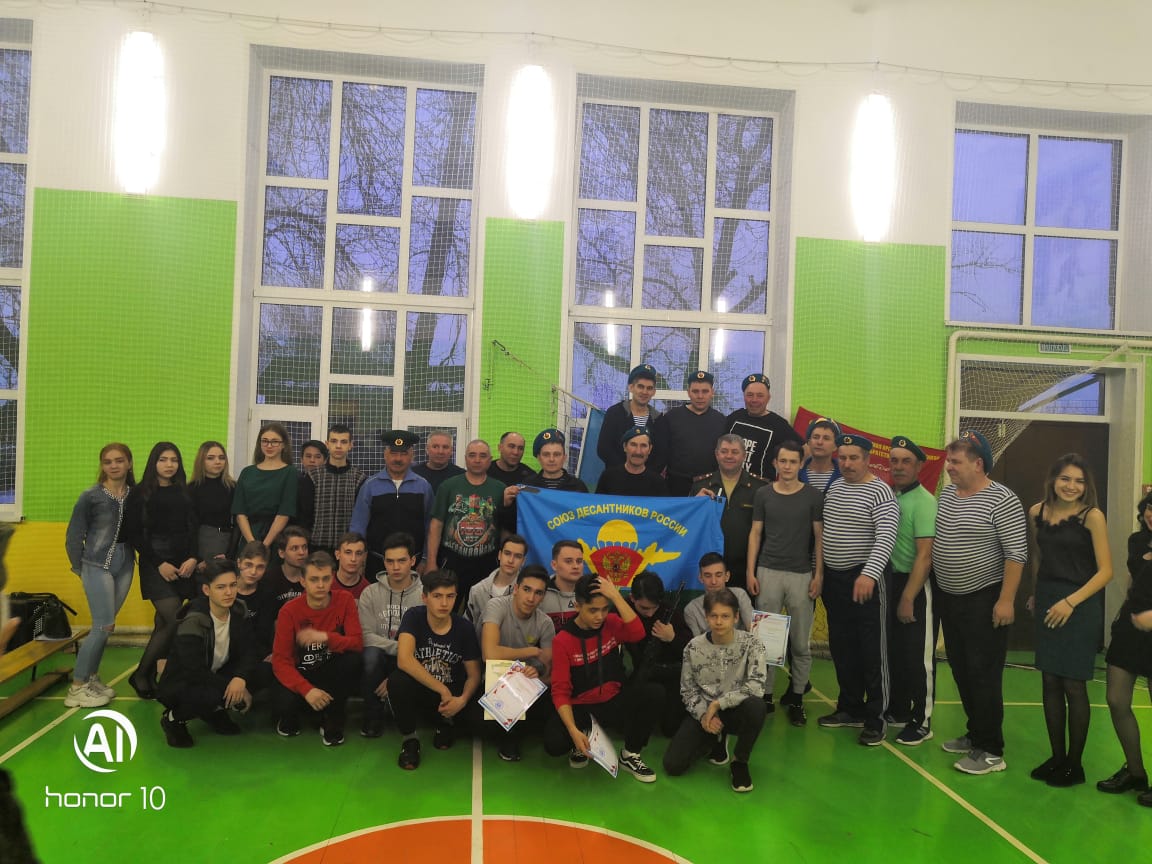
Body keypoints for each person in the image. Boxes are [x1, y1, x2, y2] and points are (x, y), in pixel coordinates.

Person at [932, 430, 1027, 775]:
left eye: (955, 462)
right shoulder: (948, 495)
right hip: (949, 598)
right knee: (961, 669)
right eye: (949, 461)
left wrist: (1006, 600)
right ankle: (975, 734)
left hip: (985, 599)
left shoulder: (1003, 500)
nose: (949, 467)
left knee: (983, 673)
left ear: (978, 464)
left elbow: (1016, 554)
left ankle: (991, 751)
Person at [1025, 454, 1112, 787]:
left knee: (1073, 684)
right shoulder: (1037, 512)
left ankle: (1075, 765)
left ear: (1086, 486)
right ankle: (1057, 757)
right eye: (1065, 478)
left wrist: (1071, 602)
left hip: (1080, 604)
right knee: (1050, 680)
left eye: (1079, 481)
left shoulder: (1092, 517)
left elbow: (1106, 571)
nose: (1071, 486)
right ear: (1053, 479)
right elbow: (1038, 557)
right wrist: (1036, 593)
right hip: (1049, 599)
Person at [817, 433, 899, 746]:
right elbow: (825, 534)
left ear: (867, 460)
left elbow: (886, 537)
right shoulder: (835, 488)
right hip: (835, 582)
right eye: (843, 457)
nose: (847, 463)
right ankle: (850, 708)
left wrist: (869, 574)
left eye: (854, 458)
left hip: (867, 580)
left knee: (872, 651)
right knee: (842, 647)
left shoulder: (881, 492)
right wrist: (820, 572)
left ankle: (877, 718)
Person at [545, 573, 662, 782]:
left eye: (604, 609)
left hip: (613, 701)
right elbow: (560, 691)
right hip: (581, 708)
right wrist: (573, 730)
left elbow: (637, 633)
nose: (600, 616)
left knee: (654, 693)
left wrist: (616, 597)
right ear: (578, 606)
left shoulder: (612, 623)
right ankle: (582, 738)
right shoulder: (562, 640)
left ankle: (630, 755)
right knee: (554, 744)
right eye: (593, 610)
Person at [746, 439, 823, 725]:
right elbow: (755, 533)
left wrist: (818, 575)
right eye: (783, 461)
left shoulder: (813, 496)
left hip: (801, 576)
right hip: (768, 573)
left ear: (801, 464)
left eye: (793, 461)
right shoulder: (763, 494)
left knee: (800, 644)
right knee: (766, 642)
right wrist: (751, 572)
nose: (788, 466)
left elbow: (819, 538)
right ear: (775, 463)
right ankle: (765, 696)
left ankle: (798, 698)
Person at [663, 588, 769, 793]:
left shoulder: (752, 644)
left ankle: (739, 762)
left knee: (757, 707)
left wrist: (719, 704)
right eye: (714, 616)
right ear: (706, 617)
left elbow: (757, 685)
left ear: (736, 617)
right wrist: (704, 715)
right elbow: (688, 690)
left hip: (736, 709)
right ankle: (714, 739)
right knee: (673, 766)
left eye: (725, 616)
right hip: (705, 711)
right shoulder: (693, 647)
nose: (719, 622)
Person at [63, 443, 136, 708]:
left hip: (125, 564)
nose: (114, 466)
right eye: (108, 462)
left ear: (129, 463)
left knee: (107, 627)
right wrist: (79, 568)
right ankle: (77, 687)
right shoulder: (90, 496)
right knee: (102, 626)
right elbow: (74, 536)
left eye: (119, 460)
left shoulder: (135, 494)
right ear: (102, 466)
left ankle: (92, 677)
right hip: (96, 565)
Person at [157, 560, 259, 748]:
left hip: (217, 674)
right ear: (206, 590)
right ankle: (173, 719)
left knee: (263, 673)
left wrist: (241, 679)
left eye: (232, 585)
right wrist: (232, 686)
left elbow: (249, 650)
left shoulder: (239, 609)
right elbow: (193, 671)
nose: (229, 592)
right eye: (221, 587)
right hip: (183, 683)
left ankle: (214, 710)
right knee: (210, 695)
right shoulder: (194, 619)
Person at [126, 442, 199, 701]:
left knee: (163, 623)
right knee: (174, 616)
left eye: (174, 460)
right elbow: (134, 534)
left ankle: (148, 676)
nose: (169, 465)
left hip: (183, 563)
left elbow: (193, 528)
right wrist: (158, 563)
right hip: (155, 563)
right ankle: (140, 674)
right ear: (153, 462)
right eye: (163, 459)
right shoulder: (140, 493)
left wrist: (193, 557)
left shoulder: (184, 492)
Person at [390, 569, 482, 770]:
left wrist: (462, 700)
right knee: (397, 681)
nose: (444, 603)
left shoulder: (464, 627)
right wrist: (441, 688)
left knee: (481, 722)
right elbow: (404, 660)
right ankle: (410, 739)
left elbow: (474, 674)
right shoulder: (413, 617)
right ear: (425, 597)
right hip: (425, 690)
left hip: (452, 694)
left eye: (450, 596)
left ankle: (446, 722)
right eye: (437, 596)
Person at [272, 551, 363, 746]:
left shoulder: (345, 600)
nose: (321, 585)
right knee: (285, 704)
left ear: (333, 578)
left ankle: (333, 718)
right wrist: (307, 690)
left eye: (325, 579)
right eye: (314, 579)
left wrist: (325, 637)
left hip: (330, 670)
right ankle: (298, 714)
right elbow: (280, 661)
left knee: (353, 661)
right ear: (303, 581)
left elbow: (357, 643)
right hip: (301, 672)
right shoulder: (289, 611)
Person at [1097, 491, 1152, 805]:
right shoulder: (1137, 541)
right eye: (1149, 508)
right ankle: (1135, 771)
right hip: (1131, 630)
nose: (1151, 514)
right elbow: (1135, 582)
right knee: (1116, 700)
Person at [887, 436, 939, 746]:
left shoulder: (925, 502)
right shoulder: (890, 496)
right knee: (896, 652)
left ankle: (922, 721)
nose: (899, 466)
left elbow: (925, 555)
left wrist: (908, 597)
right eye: (894, 460)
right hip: (890, 583)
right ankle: (899, 710)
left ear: (919, 466)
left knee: (919, 658)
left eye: (906, 461)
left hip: (916, 587)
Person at [481, 564, 556, 761]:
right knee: (475, 721)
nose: (531, 598)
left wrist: (536, 670)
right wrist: (529, 652)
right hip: (492, 681)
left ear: (543, 597)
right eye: (526, 589)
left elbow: (547, 669)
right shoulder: (496, 606)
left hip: (524, 685)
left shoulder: (545, 623)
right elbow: (489, 654)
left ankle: (511, 733)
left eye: (538, 593)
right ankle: (510, 732)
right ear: (516, 589)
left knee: (550, 711)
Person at [426, 439, 511, 606]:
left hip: (487, 562)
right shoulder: (448, 486)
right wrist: (431, 561)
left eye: (482, 456)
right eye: (472, 455)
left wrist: (505, 563)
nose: (477, 460)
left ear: (490, 459)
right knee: (445, 607)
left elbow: (504, 530)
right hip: (452, 561)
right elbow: (436, 525)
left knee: (484, 610)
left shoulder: (500, 489)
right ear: (465, 458)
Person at [357, 532, 426, 738]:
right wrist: (400, 648)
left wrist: (394, 678)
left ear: (412, 561)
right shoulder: (370, 593)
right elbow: (365, 636)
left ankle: (404, 710)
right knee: (370, 655)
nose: (395, 567)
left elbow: (423, 642)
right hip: (380, 656)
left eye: (402, 561)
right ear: (384, 562)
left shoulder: (424, 595)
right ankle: (373, 715)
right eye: (390, 561)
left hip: (411, 659)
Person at [351, 430, 435, 571]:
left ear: (412, 456)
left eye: (403, 454)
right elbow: (358, 527)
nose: (398, 459)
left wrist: (425, 559)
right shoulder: (370, 486)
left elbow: (430, 527)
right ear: (385, 455)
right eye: (393, 453)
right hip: (376, 562)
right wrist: (359, 561)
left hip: (413, 563)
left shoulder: (423, 486)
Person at [691, 434, 765, 593]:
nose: (729, 456)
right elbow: (688, 526)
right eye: (724, 451)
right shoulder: (700, 486)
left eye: (734, 452)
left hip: (746, 567)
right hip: (710, 570)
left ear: (744, 455)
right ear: (716, 454)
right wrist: (694, 504)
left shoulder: (760, 488)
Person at [625, 570, 692, 736]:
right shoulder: (623, 610)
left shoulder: (669, 611)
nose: (650, 613)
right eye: (644, 608)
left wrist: (672, 638)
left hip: (671, 673)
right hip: (642, 673)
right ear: (632, 598)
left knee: (671, 729)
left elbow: (691, 650)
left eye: (654, 608)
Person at [651, 370, 727, 496]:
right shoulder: (672, 417)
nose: (700, 396)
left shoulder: (721, 421)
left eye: (705, 391)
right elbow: (661, 452)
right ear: (688, 392)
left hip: (709, 485)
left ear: (712, 392)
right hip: (675, 485)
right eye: (695, 391)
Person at [298, 424, 368, 555]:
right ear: (327, 444)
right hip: (316, 547)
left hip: (348, 550)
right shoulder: (313, 476)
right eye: (334, 441)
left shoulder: (359, 478)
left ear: (351, 445)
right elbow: (305, 516)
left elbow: (361, 518)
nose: (338, 446)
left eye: (343, 442)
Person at [724, 373, 802, 481]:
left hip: (762, 488)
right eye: (750, 395)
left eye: (760, 396)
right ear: (744, 396)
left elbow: (804, 450)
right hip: (730, 483)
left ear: (768, 398)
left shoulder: (778, 424)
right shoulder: (735, 417)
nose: (754, 400)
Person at [233, 422, 297, 550]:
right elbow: (240, 512)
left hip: (276, 537)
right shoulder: (247, 472)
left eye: (274, 442)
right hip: (248, 536)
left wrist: (264, 546)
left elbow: (284, 513)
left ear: (283, 444)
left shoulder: (290, 472)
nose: (269, 445)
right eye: (265, 441)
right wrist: (252, 543)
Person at [597, 363, 661, 469]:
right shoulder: (614, 413)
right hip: (616, 476)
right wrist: (627, 471)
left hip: (648, 478)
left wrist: (644, 473)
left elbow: (661, 455)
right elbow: (604, 449)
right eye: (640, 386)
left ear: (654, 392)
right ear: (631, 387)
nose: (645, 392)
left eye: (649, 388)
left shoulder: (658, 419)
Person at [233, 540, 276, 695]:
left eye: (260, 567)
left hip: (253, 653)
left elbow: (262, 634)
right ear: (239, 563)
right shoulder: (226, 588)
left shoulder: (267, 593)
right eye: (248, 565)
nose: (253, 572)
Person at [684, 552, 754, 636]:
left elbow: (754, 629)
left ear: (727, 576)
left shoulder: (740, 595)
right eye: (708, 576)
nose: (713, 581)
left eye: (718, 575)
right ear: (701, 578)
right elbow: (696, 642)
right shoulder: (691, 609)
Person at [187, 440, 235, 564]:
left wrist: (230, 553)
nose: (217, 462)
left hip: (228, 542)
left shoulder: (233, 487)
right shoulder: (191, 489)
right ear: (201, 461)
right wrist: (195, 557)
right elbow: (190, 526)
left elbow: (238, 522)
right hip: (202, 542)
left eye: (221, 458)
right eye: (211, 458)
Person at [465, 533, 528, 623]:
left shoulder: (528, 592)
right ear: (499, 555)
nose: (511, 560)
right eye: (507, 553)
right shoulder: (477, 590)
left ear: (523, 561)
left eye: (517, 556)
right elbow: (468, 626)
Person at [595, 427, 668, 496]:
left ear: (650, 449)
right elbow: (597, 503)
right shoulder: (608, 477)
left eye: (643, 446)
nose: (638, 452)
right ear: (625, 447)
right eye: (633, 445)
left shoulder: (658, 482)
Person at [541, 539, 585, 632]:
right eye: (568, 561)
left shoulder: (591, 592)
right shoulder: (540, 592)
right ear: (554, 565)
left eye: (579, 561)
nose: (575, 566)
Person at [523, 429, 588, 492]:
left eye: (557, 454)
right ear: (539, 458)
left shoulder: (578, 487)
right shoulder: (528, 486)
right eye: (546, 454)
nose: (551, 459)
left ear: (564, 458)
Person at [800, 417, 841, 493]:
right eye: (816, 437)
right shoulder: (795, 473)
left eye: (826, 438)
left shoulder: (845, 475)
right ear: (808, 442)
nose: (819, 442)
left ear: (835, 446)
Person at [331, 532, 370, 599]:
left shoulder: (368, 591)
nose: (353, 559)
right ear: (337, 554)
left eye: (358, 553)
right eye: (348, 552)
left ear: (364, 556)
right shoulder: (324, 584)